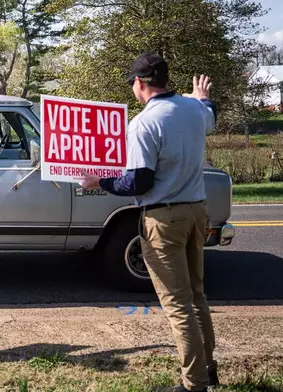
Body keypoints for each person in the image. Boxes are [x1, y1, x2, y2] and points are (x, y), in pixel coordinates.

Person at [78, 53, 219, 392]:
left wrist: (99, 181)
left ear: (140, 84)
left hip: (163, 218)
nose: (134, 91)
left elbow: (138, 182)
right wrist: (204, 98)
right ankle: (208, 370)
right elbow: (210, 115)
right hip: (197, 211)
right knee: (196, 296)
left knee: (177, 304)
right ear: (165, 80)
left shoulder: (144, 122)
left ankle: (193, 383)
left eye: (134, 85)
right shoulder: (193, 109)